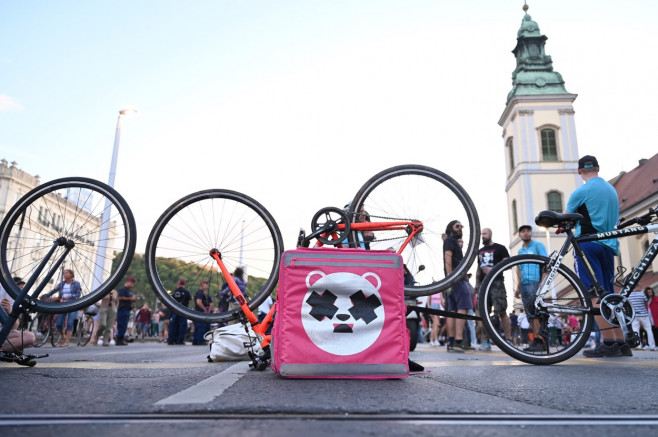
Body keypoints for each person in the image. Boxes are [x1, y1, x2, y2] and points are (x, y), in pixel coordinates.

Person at [565, 155, 628, 358]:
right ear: (598, 168)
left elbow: (566, 217)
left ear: (579, 171)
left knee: (593, 294)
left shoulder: (581, 191)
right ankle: (620, 342)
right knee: (609, 295)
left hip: (587, 244)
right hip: (608, 246)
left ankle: (608, 343)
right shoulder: (611, 190)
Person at [514, 224, 548, 352]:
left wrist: (542, 282)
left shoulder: (538, 245)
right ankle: (536, 339)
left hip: (535, 282)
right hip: (524, 284)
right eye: (523, 231)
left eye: (528, 231)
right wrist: (518, 287)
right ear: (520, 235)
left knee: (537, 312)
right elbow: (520, 269)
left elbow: (545, 263)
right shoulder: (520, 251)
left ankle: (541, 340)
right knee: (530, 314)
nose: (526, 233)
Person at [475, 228, 511, 347]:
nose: (483, 236)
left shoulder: (500, 248)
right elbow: (478, 269)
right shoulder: (479, 251)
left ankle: (508, 339)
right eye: (482, 234)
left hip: (497, 283)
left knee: (502, 311)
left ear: (490, 234)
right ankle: (485, 340)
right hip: (482, 284)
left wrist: (494, 268)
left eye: (485, 234)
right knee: (484, 312)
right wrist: (476, 285)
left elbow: (508, 263)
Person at [442, 220, 472, 353]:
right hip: (457, 279)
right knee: (462, 308)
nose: (460, 228)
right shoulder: (451, 241)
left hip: (452, 280)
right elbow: (448, 258)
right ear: (451, 228)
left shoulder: (449, 241)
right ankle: (458, 341)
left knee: (452, 310)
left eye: (461, 226)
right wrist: (452, 277)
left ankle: (453, 341)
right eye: (457, 226)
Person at [43, 269, 82, 347]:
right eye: (64, 273)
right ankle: (63, 336)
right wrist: (46, 295)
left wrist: (69, 297)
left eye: (66, 273)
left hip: (73, 304)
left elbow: (78, 294)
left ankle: (67, 341)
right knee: (59, 323)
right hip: (63, 305)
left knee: (70, 322)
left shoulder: (76, 284)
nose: (64, 274)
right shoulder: (61, 284)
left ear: (71, 275)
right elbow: (54, 290)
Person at [168, 279, 191, 345]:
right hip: (183, 310)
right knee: (182, 326)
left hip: (175, 310)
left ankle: (171, 340)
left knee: (173, 325)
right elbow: (190, 298)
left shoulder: (175, 291)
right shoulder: (186, 291)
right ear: (184, 284)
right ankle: (180, 340)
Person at [116, 277, 137, 346]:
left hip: (127, 309)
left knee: (125, 325)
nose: (132, 285)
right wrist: (130, 299)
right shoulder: (123, 290)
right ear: (127, 282)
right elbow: (120, 297)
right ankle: (119, 339)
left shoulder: (128, 291)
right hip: (122, 309)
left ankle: (121, 339)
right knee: (121, 325)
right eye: (131, 283)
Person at [192, 281, 213, 345]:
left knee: (199, 326)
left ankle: (196, 340)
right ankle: (200, 340)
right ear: (202, 285)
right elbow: (199, 302)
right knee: (201, 326)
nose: (207, 286)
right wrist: (205, 309)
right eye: (205, 285)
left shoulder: (203, 294)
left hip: (201, 310)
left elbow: (211, 303)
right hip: (200, 311)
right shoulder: (200, 293)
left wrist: (208, 309)